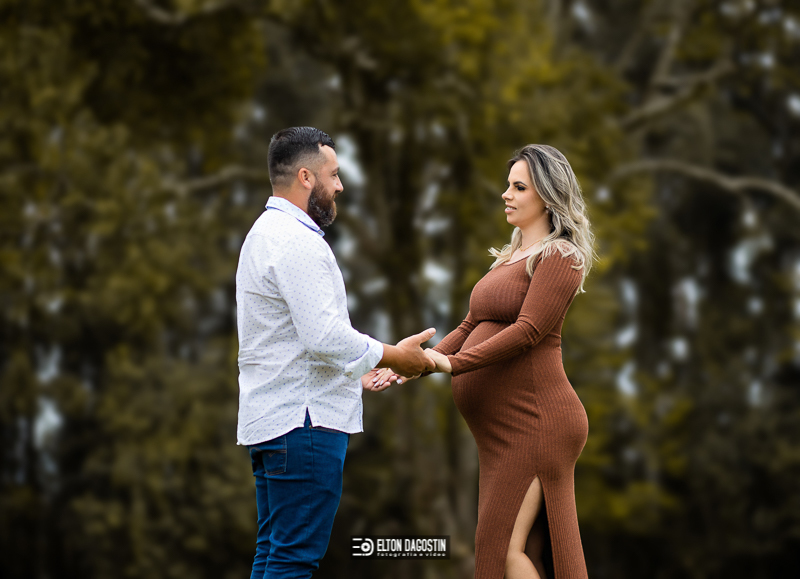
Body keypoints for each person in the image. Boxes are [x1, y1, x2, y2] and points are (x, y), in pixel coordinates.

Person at [369, 144, 596, 579]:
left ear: (548, 195)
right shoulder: (508, 259)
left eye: (519, 187)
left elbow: (528, 331)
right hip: (499, 435)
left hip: (536, 421)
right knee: (515, 551)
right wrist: (413, 362)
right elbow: (471, 324)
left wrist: (453, 366)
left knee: (502, 551)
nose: (506, 195)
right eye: (508, 186)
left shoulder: (560, 257)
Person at [236, 126, 436, 579]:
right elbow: (324, 336)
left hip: (275, 421)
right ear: (306, 177)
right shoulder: (297, 240)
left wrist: (356, 371)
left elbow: (290, 338)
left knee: (273, 554)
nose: (340, 186)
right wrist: (393, 355)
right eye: (334, 174)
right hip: (304, 425)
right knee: (293, 560)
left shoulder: (263, 233)